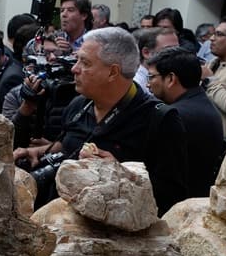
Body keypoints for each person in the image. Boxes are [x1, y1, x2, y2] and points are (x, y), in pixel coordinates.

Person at [14, 27, 189, 215]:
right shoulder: (78, 105)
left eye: (85, 63)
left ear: (113, 72)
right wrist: (40, 151)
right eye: (77, 60)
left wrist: (120, 175)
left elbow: (171, 196)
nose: (74, 69)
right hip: (58, 218)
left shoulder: (159, 119)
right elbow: (69, 146)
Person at [146, 46, 226, 197]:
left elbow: (164, 176)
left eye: (151, 77)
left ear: (171, 79)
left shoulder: (173, 116)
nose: (148, 84)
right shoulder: (204, 105)